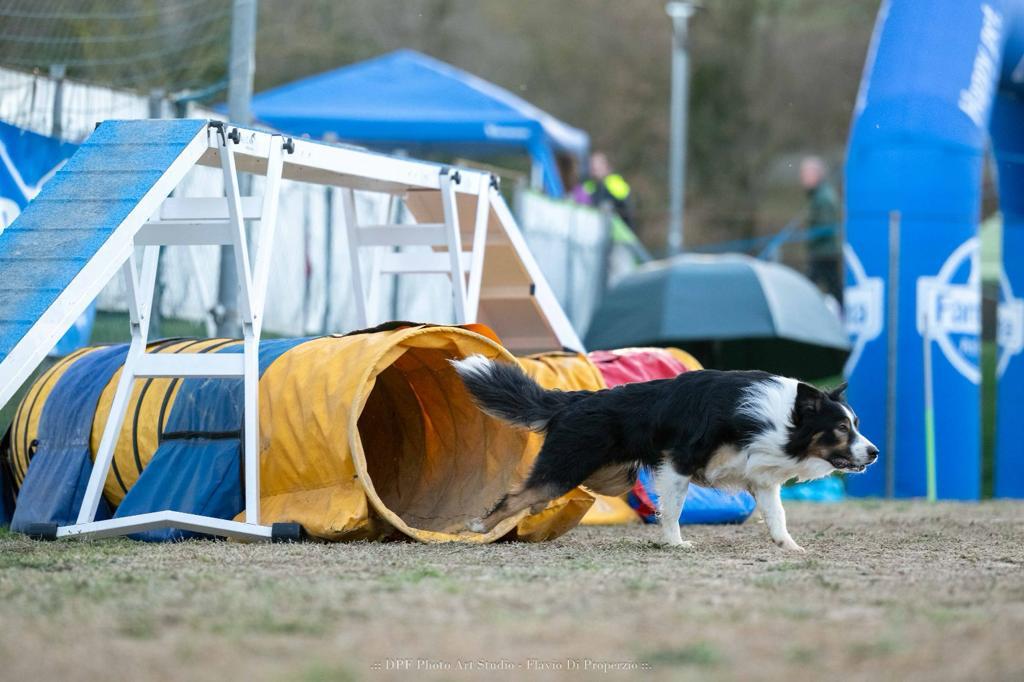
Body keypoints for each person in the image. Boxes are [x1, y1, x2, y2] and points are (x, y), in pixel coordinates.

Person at [801, 156, 842, 302]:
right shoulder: (818, 196)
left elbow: (827, 227)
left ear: (816, 175)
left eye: (806, 175)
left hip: (824, 253)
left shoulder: (824, 198)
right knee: (832, 287)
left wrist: (810, 236)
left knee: (814, 286)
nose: (803, 179)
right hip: (822, 252)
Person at [578, 151, 635, 228]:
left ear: (606, 166)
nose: (594, 169)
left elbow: (626, 206)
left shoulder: (615, 182)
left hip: (619, 231)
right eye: (592, 166)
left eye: (598, 166)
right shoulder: (587, 186)